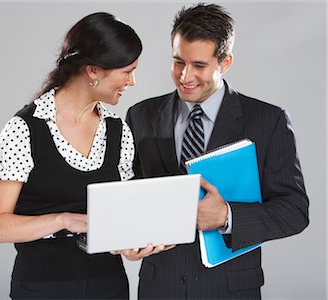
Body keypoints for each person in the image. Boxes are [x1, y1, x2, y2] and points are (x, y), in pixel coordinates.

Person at [124, 3, 309, 299]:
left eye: (199, 66)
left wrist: (227, 216)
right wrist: (129, 240)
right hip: (160, 287)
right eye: (177, 62)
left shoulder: (267, 120)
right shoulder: (140, 115)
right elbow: (128, 194)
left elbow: (294, 212)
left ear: (225, 63)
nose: (185, 76)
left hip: (229, 289)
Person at [0, 12, 142, 299]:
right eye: (127, 71)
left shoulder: (120, 132)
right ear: (93, 70)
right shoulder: (26, 129)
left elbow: (123, 218)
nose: (132, 81)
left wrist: (134, 245)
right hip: (43, 288)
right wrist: (64, 220)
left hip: (110, 285)